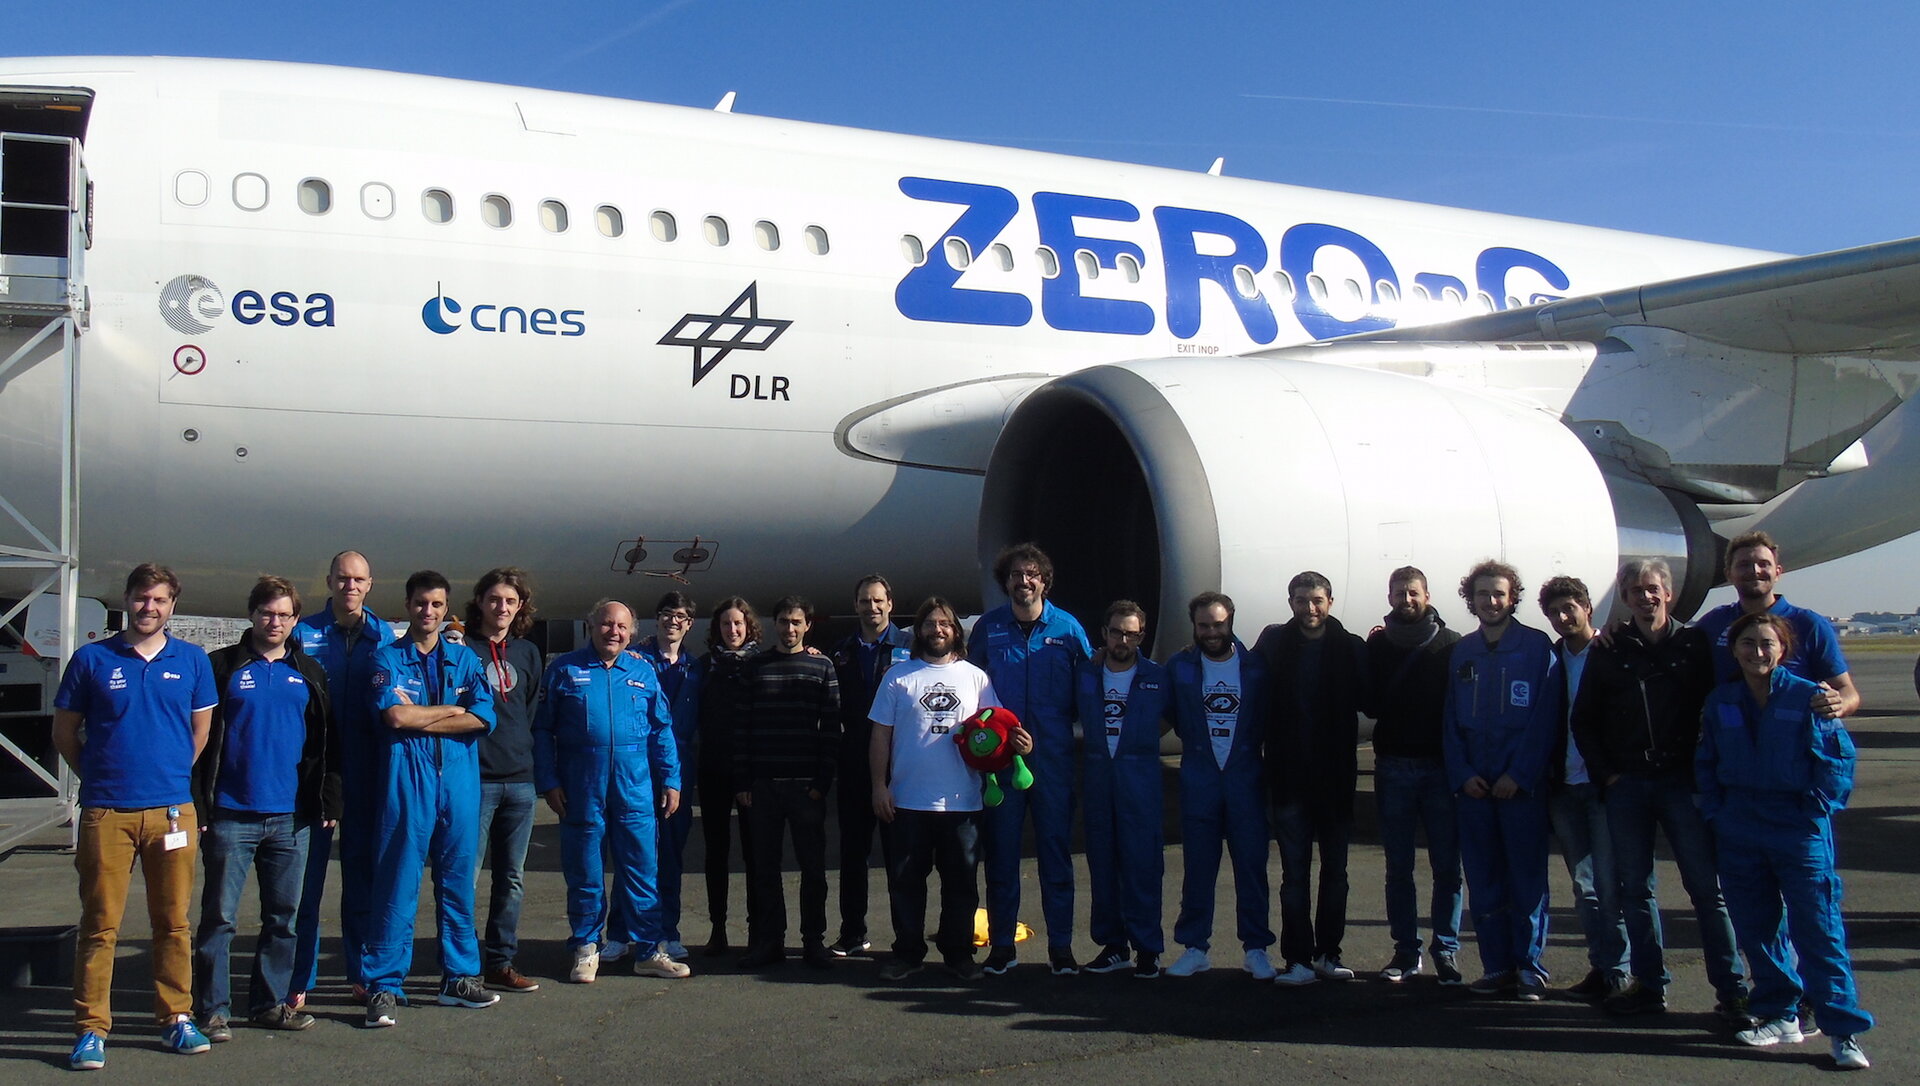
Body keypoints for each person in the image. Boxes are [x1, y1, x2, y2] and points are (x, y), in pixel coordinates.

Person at [53, 564, 218, 1069]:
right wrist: (102, 778)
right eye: (143, 598)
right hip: (107, 812)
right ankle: (91, 1029)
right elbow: (64, 734)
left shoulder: (192, 661)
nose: (150, 607)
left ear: (173, 606)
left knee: (173, 923)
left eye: (161, 600)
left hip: (171, 812)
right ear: (128, 599)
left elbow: (199, 734)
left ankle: (176, 1018)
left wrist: (165, 777)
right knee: (101, 924)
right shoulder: (91, 659)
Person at [1570, 558, 1748, 1021]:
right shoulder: (1609, 649)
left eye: (1653, 589)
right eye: (1635, 592)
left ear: (1667, 593)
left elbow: (1718, 705)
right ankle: (1650, 984)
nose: (1645, 598)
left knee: (1707, 891)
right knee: (1636, 891)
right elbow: (1584, 719)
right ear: (1625, 599)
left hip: (1680, 781)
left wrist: (1704, 771)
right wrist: (1607, 773)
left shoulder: (1693, 644)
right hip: (1628, 783)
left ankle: (1731, 989)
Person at [1699, 612, 1872, 1071]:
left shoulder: (1811, 696)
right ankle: (1779, 1014)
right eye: (1748, 643)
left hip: (1796, 828)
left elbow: (1837, 760)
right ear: (1734, 650)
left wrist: (1813, 810)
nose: (1757, 652)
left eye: (1766, 643)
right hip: (1740, 826)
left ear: (1783, 650)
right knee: (1757, 929)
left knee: (1818, 929)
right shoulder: (1722, 701)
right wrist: (1718, 812)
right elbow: (1706, 761)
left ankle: (1843, 1032)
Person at [192, 576, 335, 1041]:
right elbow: (198, 740)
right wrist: (200, 805)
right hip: (231, 813)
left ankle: (269, 1003)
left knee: (283, 919)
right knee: (220, 919)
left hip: (291, 819)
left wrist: (328, 797)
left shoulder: (309, 672)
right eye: (267, 612)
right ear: (252, 614)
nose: (275, 622)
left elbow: (326, 742)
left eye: (284, 614)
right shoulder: (221, 667)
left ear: (296, 620)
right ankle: (212, 1009)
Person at [361, 570, 499, 1028]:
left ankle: (458, 978)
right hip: (408, 778)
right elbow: (396, 716)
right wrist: (449, 710)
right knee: (397, 882)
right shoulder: (387, 657)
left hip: (458, 781)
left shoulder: (464, 660)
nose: (429, 612)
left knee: (458, 882)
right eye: (421, 603)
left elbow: (482, 717)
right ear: (408, 604)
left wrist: (428, 719)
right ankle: (383, 984)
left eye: (437, 604)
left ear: (446, 608)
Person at [533, 599, 690, 984]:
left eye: (621, 627)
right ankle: (587, 948)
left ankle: (650, 949)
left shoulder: (642, 671)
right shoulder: (564, 669)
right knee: (585, 870)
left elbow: (661, 730)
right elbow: (542, 730)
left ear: (632, 632)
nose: (613, 632)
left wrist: (671, 779)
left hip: (634, 787)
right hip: (581, 787)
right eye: (606, 624)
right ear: (591, 626)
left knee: (641, 869)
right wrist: (549, 781)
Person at [871, 597, 1025, 982]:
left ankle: (958, 955)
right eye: (928, 624)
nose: (936, 630)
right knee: (906, 883)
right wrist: (879, 785)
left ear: (956, 631)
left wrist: (1020, 745)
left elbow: (999, 729)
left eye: (944, 624)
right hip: (908, 801)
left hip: (963, 801)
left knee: (961, 886)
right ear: (918, 631)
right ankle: (908, 953)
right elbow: (880, 736)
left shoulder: (976, 678)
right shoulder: (898, 677)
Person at [969, 543, 1092, 975]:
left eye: (1032, 573)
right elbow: (971, 690)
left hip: (1052, 762)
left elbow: (1088, 688)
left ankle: (1061, 948)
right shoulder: (989, 628)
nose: (1025, 581)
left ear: (1044, 580)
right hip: (1000, 767)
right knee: (1001, 855)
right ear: (1006, 582)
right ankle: (1002, 946)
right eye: (1016, 575)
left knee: (1056, 855)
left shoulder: (1068, 629)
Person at [1442, 560, 1560, 1001]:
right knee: (1484, 876)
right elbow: (1450, 720)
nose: (1490, 602)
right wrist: (1463, 774)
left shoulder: (1535, 647)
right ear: (1469, 599)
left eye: (1498, 594)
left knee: (1526, 877)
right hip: (1475, 787)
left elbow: (1545, 720)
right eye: (1482, 594)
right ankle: (1496, 966)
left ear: (1513, 598)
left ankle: (1529, 967)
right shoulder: (1463, 652)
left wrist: (1521, 774)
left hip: (1518, 788)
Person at [1254, 571, 1369, 985]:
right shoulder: (1273, 644)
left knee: (1335, 873)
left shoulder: (1350, 647)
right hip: (1288, 778)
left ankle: (1328, 953)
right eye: (1302, 600)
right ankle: (1298, 958)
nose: (1310, 608)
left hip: (1335, 779)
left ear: (1330, 602)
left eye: (1317, 600)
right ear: (1291, 603)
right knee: (1294, 876)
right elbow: (1246, 681)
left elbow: (1372, 699)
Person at [1164, 592, 1278, 980]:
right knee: (1198, 868)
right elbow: (1162, 712)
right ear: (1193, 626)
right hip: (1200, 778)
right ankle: (1195, 947)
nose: (1211, 633)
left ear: (1231, 621)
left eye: (1218, 624)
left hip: (1245, 777)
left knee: (1251, 867)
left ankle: (1256, 948)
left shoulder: (1256, 668)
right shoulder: (1179, 668)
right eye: (1203, 626)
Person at [290, 550, 386, 1007]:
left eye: (358, 579)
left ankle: (362, 971)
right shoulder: (303, 633)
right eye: (342, 578)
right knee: (306, 883)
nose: (350, 586)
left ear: (370, 585)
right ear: (329, 581)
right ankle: (298, 978)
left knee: (363, 878)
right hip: (314, 773)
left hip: (368, 772)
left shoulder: (385, 637)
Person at [1365, 566, 1465, 984]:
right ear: (1388, 597)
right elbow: (1368, 704)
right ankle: (1406, 952)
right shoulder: (1378, 646)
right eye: (1398, 594)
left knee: (1447, 867)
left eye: (1413, 593)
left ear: (1427, 595)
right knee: (1398, 868)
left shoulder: (1451, 645)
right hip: (1393, 768)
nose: (1406, 601)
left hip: (1439, 769)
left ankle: (1446, 950)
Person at [735, 596, 842, 969]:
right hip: (764, 786)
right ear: (774, 623)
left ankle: (814, 941)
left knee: (813, 870)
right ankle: (770, 941)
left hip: (805, 787)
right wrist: (744, 780)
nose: (789, 628)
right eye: (783, 621)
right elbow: (742, 727)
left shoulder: (821, 666)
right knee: (765, 869)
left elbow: (832, 727)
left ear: (807, 625)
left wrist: (822, 782)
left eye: (796, 622)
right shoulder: (756, 666)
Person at [1537, 576, 1630, 1000]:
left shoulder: (1611, 653)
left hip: (1601, 784)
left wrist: (1615, 770)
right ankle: (1602, 965)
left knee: (1611, 886)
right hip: (1564, 786)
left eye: (1569, 607)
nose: (1562, 617)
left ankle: (1622, 971)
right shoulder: (1551, 659)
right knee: (1584, 884)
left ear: (1588, 607)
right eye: (1555, 611)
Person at [1074, 600, 1171, 979]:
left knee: (1143, 865)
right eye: (1117, 631)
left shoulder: (1158, 677)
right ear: (1105, 634)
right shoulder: (1085, 673)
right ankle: (1114, 946)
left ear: (1141, 636)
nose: (1123, 639)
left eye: (1131, 633)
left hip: (1139, 780)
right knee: (1103, 863)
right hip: (1099, 777)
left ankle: (1148, 947)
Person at [464, 568, 543, 993]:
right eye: (495, 599)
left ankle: (499, 962)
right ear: (480, 602)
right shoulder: (462, 650)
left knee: (511, 878)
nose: (502, 608)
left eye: (511, 601)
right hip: (475, 781)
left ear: (520, 607)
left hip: (520, 783)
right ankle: (459, 964)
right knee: (466, 876)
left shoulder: (529, 653)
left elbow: (529, 714)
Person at [826, 574, 913, 957]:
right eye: (864, 601)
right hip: (854, 766)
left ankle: (904, 936)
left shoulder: (911, 647)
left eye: (878, 601)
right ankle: (852, 933)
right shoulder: (841, 651)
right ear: (856, 605)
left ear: (890, 604)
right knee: (853, 854)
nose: (871, 607)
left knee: (901, 858)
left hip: (901, 766)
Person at [1695, 531, 1858, 718]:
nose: (1755, 571)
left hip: (1790, 737)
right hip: (1733, 736)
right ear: (1728, 574)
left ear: (1778, 572)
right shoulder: (1712, 623)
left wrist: (1838, 704)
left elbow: (1847, 691)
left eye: (1763, 564)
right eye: (1744, 565)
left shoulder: (1809, 624)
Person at [632, 590, 704, 962]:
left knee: (672, 854)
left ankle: (668, 930)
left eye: (680, 615)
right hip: (640, 768)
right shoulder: (636, 661)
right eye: (665, 614)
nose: (672, 621)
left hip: (680, 769)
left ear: (689, 624)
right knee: (635, 854)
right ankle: (623, 932)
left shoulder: (696, 668)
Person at [694, 596, 760, 954]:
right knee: (716, 853)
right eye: (725, 624)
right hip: (714, 771)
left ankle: (755, 930)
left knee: (754, 854)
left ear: (748, 626)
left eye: (738, 623)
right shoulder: (705, 667)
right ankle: (717, 927)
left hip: (748, 773)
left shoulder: (760, 665)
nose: (732, 630)